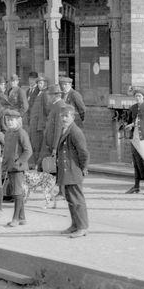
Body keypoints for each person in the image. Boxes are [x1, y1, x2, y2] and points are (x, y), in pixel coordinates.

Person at [53, 102, 89, 237]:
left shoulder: (75, 132)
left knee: (77, 200)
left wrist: (82, 168)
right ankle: (75, 225)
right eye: (62, 116)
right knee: (70, 199)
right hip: (67, 171)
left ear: (73, 117)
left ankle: (82, 226)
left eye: (66, 116)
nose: (64, 119)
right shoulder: (65, 130)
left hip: (73, 171)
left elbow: (84, 153)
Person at [1, 108, 32, 226]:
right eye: (8, 120)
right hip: (10, 167)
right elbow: (7, 151)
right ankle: (22, 217)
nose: (9, 122)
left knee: (17, 192)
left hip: (18, 168)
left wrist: (18, 162)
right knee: (16, 191)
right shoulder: (8, 133)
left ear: (18, 120)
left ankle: (16, 219)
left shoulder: (21, 132)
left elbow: (28, 151)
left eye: (12, 120)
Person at [25, 76, 50, 166]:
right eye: (38, 83)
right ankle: (35, 163)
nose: (39, 85)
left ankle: (37, 164)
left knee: (37, 145)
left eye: (41, 83)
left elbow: (47, 110)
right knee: (33, 143)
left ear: (45, 84)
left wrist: (43, 124)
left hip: (39, 125)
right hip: (34, 124)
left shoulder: (45, 93)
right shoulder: (40, 93)